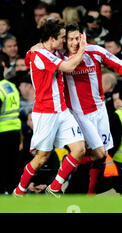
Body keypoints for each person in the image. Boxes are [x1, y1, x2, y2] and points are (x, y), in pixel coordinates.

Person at [56, 23, 122, 195]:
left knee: (100, 157)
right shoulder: (59, 57)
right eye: (70, 39)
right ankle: (59, 186)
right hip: (76, 115)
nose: (74, 43)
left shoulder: (95, 51)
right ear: (64, 41)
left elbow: (119, 65)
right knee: (83, 153)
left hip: (99, 112)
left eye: (76, 38)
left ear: (82, 37)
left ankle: (89, 193)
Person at [13, 20, 87, 197]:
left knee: (79, 150)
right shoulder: (41, 54)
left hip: (62, 110)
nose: (64, 41)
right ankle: (19, 191)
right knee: (42, 158)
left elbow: (28, 55)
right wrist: (82, 48)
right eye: (62, 38)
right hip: (45, 112)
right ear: (52, 38)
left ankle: (54, 188)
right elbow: (68, 67)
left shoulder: (47, 51)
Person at [0, 62, 21, 195]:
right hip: (15, 131)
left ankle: (3, 193)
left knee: (2, 165)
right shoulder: (11, 86)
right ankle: (13, 192)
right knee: (13, 165)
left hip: (2, 132)